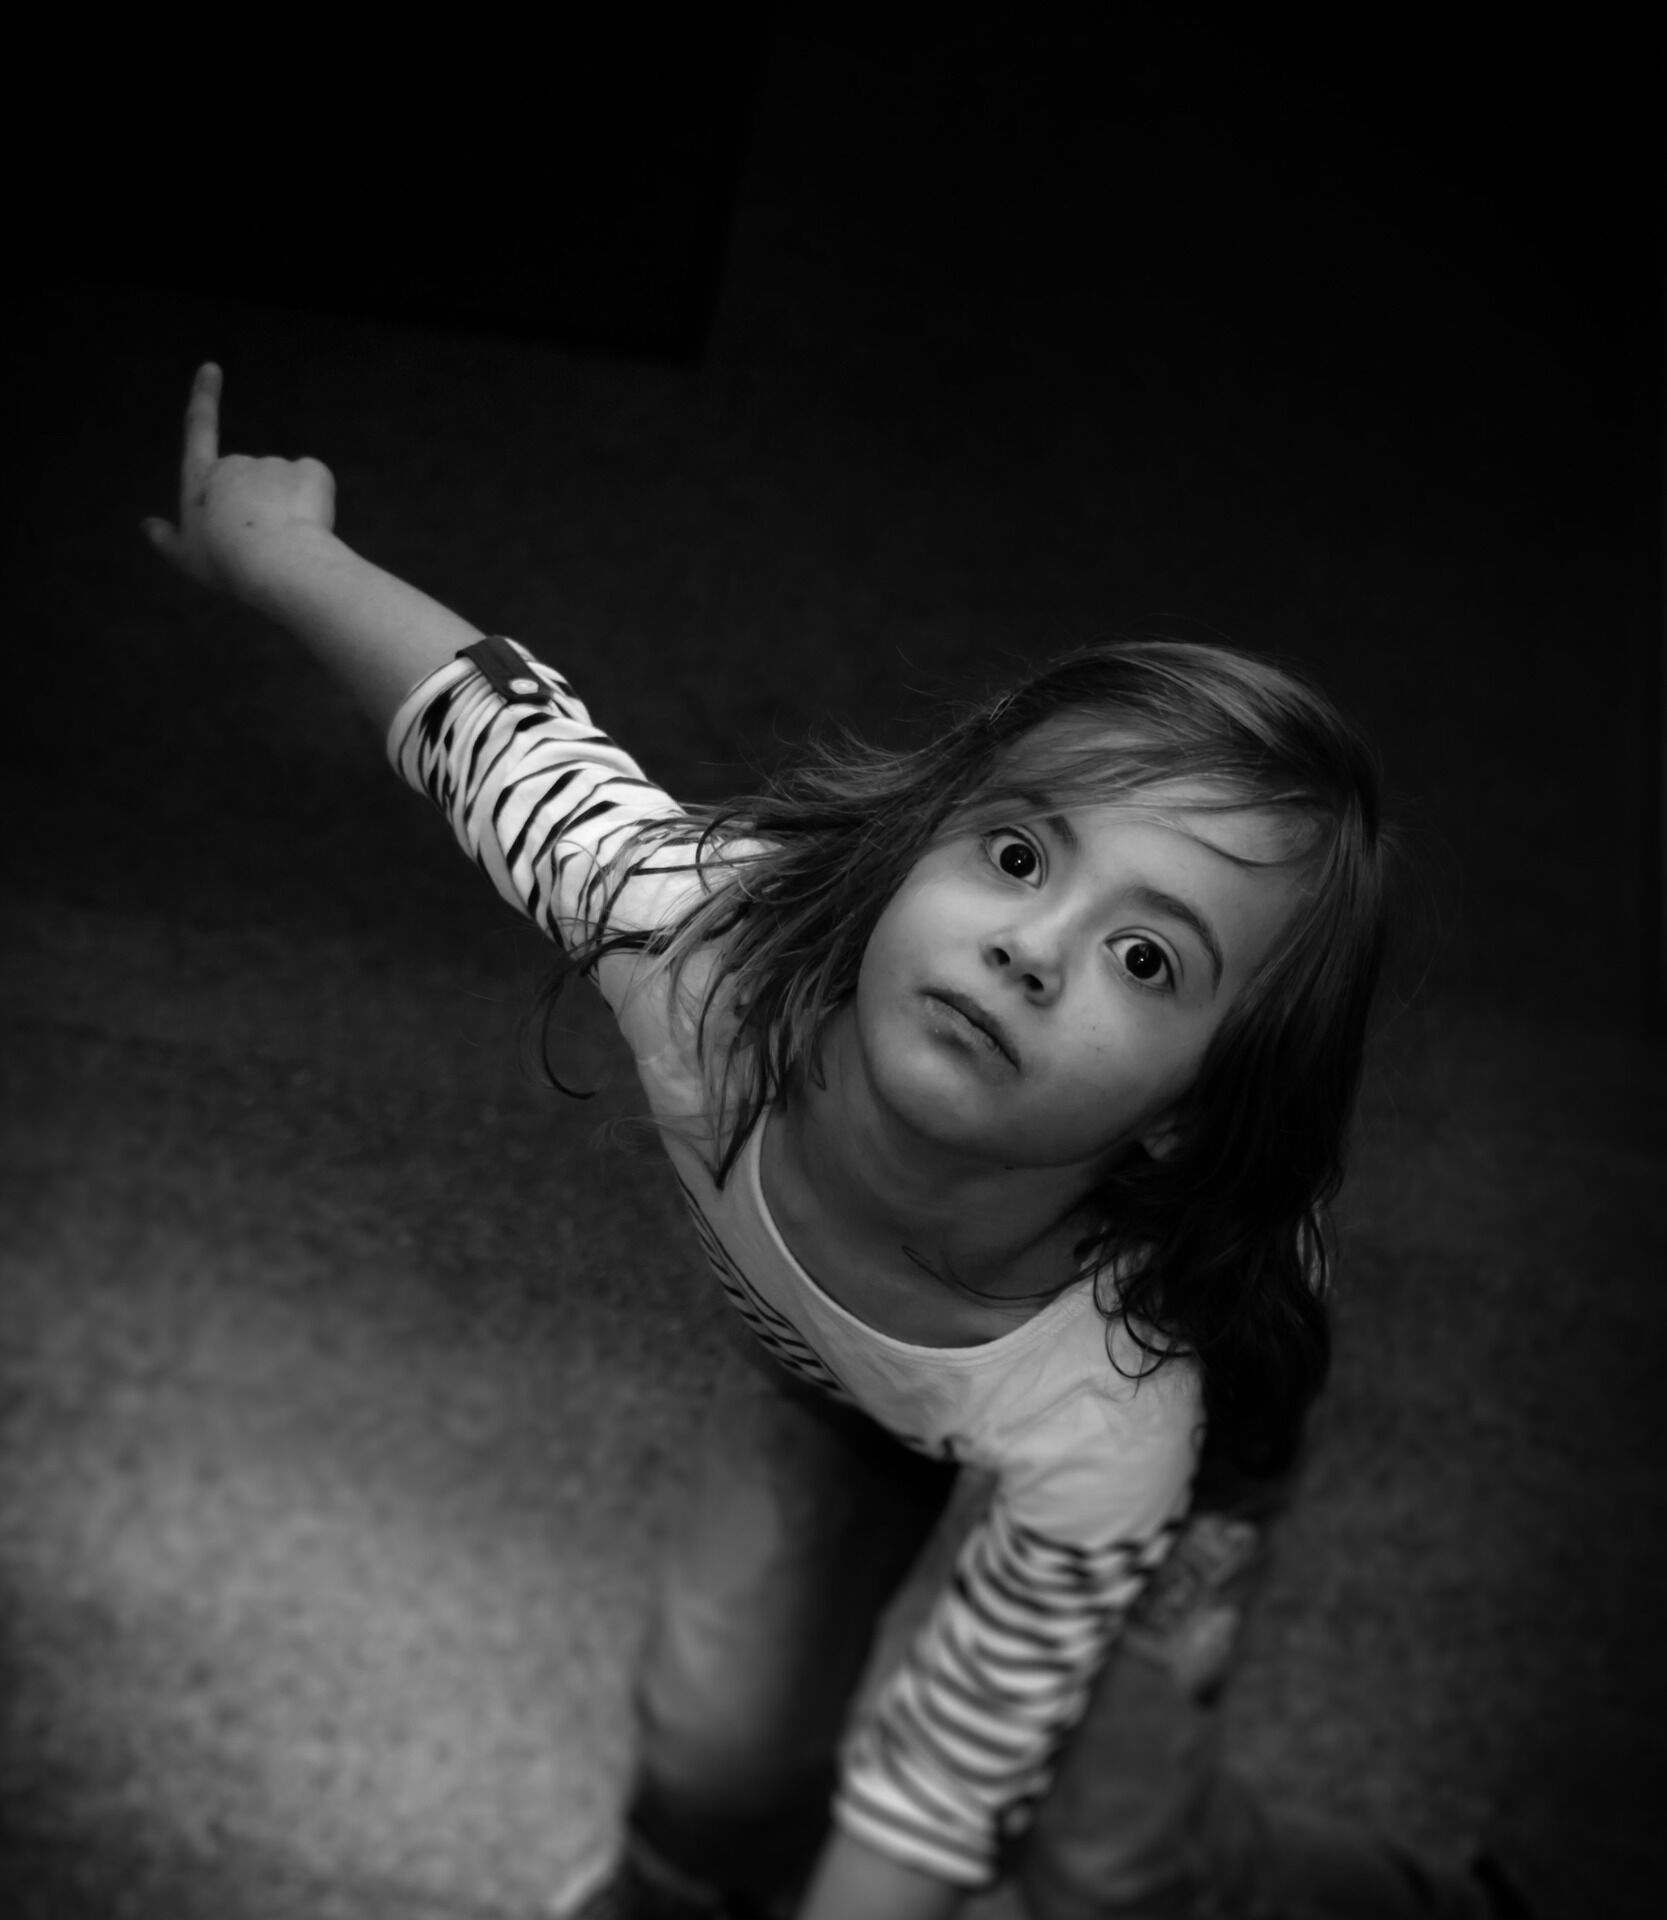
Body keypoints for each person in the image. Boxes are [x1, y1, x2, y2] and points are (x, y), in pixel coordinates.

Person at [145, 365, 1531, 1920]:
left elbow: (951, 1769)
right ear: (910, 849)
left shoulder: (1128, 1395)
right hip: (845, 1364)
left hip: (1169, 1426)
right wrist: (284, 554)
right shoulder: (710, 949)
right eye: (1018, 854)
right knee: (718, 1738)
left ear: (1187, 1107)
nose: (1032, 949)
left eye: (1148, 959)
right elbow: (497, 744)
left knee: (1102, 1865)